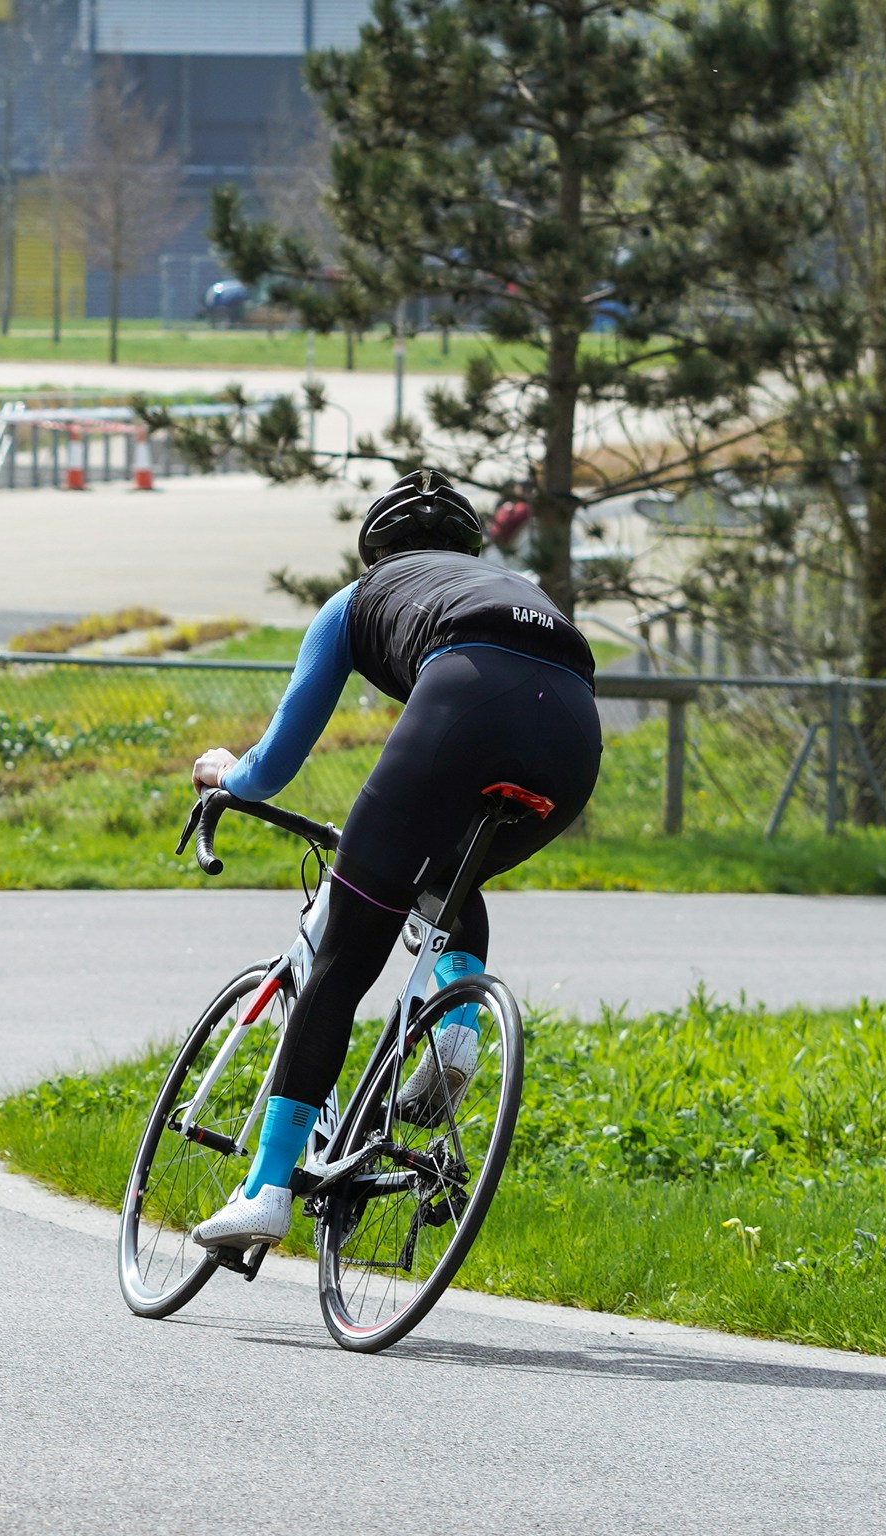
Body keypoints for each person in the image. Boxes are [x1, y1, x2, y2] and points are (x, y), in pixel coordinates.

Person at [188, 467, 602, 1249]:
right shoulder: (514, 583)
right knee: (449, 869)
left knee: (347, 950)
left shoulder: (357, 599)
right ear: (468, 548)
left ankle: (266, 1187)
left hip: (467, 697)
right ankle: (456, 1028)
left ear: (373, 553)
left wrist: (221, 774)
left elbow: (271, 768)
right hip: (575, 731)